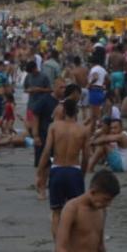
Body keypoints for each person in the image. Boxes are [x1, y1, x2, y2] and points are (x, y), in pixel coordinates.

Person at [37, 99, 90, 237]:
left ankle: (58, 247)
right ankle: (72, 245)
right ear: (77, 111)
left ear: (64, 111)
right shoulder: (83, 130)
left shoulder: (54, 127)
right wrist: (82, 173)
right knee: (76, 212)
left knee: (56, 213)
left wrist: (40, 173)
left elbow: (47, 151)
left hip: (57, 170)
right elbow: (86, 156)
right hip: (74, 170)